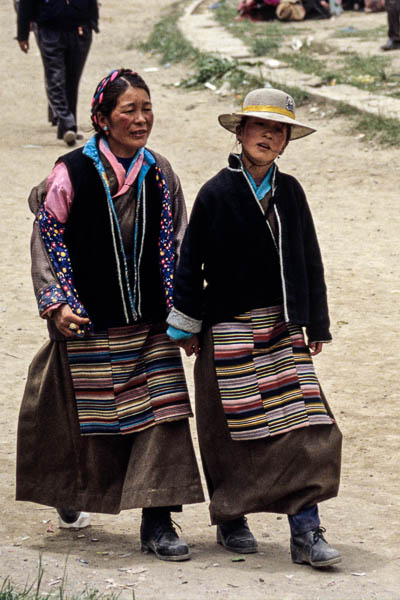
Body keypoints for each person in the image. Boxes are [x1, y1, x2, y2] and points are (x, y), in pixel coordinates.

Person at [16, 68, 204, 562]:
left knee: (163, 413)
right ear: (102, 119)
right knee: (81, 418)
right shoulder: (71, 171)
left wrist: (183, 312)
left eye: (147, 108)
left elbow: (179, 244)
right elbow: (48, 236)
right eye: (129, 110)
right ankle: (69, 491)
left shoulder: (160, 172)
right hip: (87, 320)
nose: (141, 119)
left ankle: (158, 520)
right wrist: (56, 303)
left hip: (151, 321)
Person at [167, 88, 342, 569]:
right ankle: (232, 517)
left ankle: (306, 530)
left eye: (279, 130)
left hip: (281, 325)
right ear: (240, 133)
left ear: (286, 142)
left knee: (306, 423)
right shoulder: (216, 193)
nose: (269, 136)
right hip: (226, 327)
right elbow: (189, 265)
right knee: (233, 430)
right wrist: (187, 325)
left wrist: (316, 321)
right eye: (259, 127)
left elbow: (309, 258)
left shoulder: (291, 192)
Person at [16, 0, 99, 145]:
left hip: (80, 29)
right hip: (49, 29)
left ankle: (66, 126)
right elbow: (25, 3)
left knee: (72, 79)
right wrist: (23, 33)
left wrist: (93, 21)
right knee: (55, 78)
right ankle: (67, 123)